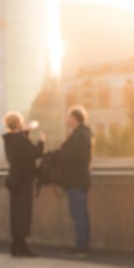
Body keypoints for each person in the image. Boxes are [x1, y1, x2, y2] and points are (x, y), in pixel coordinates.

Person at [1, 111, 44, 257]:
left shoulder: (9, 139)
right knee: (23, 213)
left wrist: (25, 134)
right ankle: (21, 246)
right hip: (24, 181)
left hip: (14, 180)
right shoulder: (21, 140)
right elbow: (34, 153)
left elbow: (19, 154)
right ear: (19, 123)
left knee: (16, 213)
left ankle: (17, 245)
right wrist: (41, 141)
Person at [60, 105, 94, 255]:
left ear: (74, 119)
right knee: (79, 213)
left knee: (79, 213)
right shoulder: (83, 134)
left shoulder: (80, 135)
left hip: (76, 179)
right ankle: (81, 243)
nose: (67, 120)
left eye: (69, 117)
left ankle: (82, 245)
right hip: (77, 179)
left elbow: (77, 156)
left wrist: (60, 156)